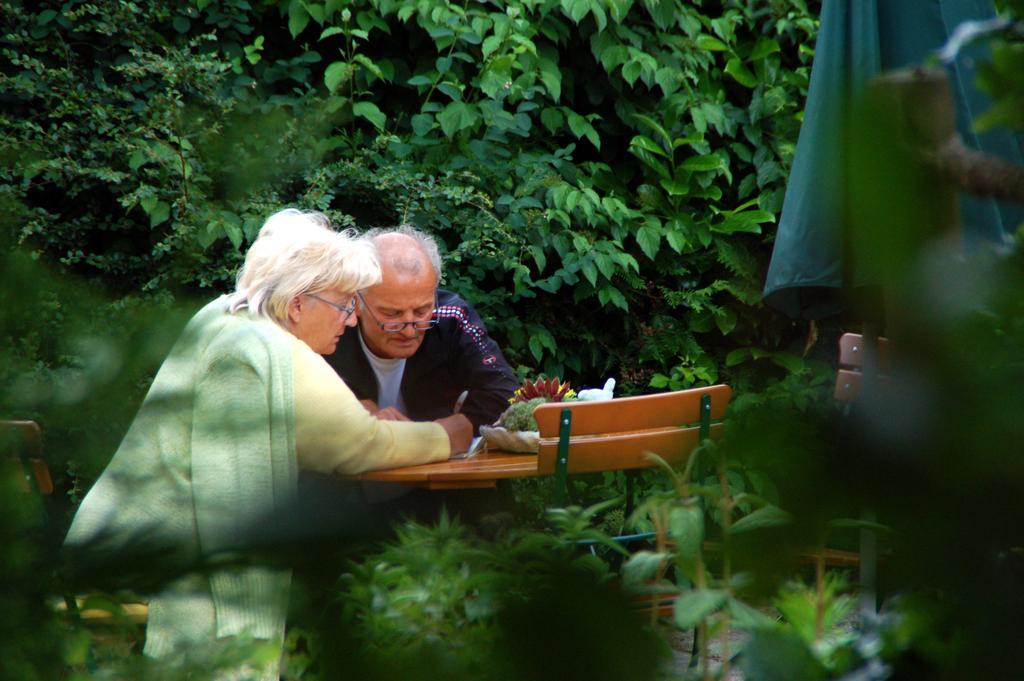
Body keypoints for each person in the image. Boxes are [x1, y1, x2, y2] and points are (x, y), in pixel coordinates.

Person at [62, 209, 470, 679]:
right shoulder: (266, 348)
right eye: (342, 304)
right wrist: (452, 432)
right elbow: (363, 443)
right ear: (298, 304)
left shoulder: (225, 319)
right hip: (141, 570)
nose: (351, 319)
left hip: (109, 545)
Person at [325, 225, 518, 444]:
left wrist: (438, 433)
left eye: (422, 311)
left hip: (436, 473)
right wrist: (353, 409)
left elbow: (506, 390)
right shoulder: (332, 325)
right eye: (392, 314)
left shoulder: (451, 318)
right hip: (347, 472)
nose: (408, 330)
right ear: (356, 300)